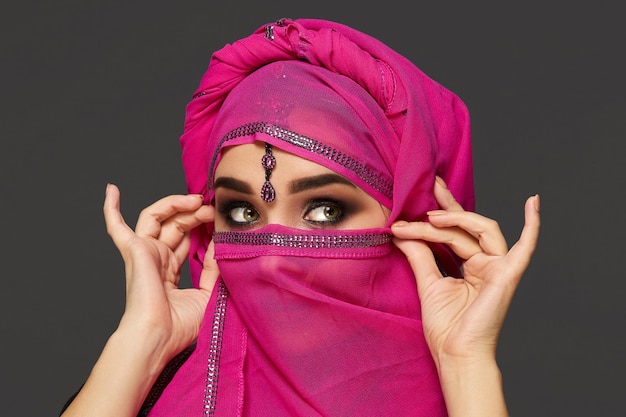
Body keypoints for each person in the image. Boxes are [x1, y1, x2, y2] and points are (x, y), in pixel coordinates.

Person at [60, 18, 540, 417]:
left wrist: (466, 365)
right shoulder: (151, 394)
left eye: (325, 210)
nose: (271, 260)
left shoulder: (466, 398)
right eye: (243, 212)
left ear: (416, 220)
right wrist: (142, 342)